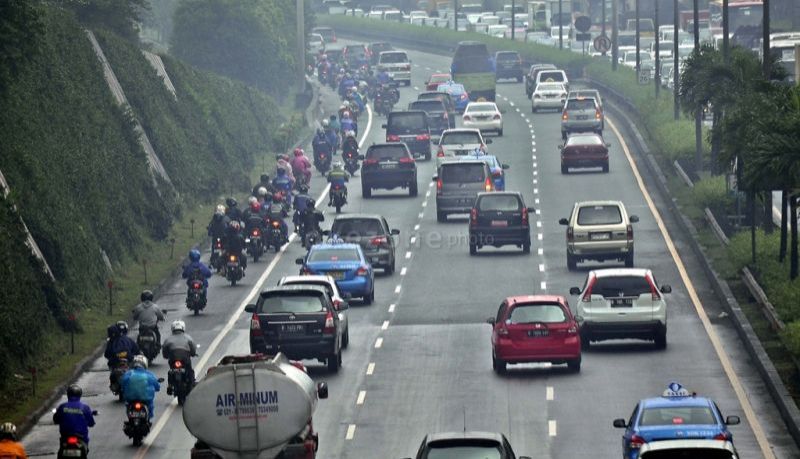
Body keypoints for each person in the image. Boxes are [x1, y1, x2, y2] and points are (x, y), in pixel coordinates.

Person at [162, 320, 198, 393]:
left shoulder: (168, 339)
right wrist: (193, 354)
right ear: (183, 328)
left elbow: (164, 351)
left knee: (171, 370)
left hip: (173, 359)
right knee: (190, 371)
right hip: (185, 359)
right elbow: (193, 349)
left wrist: (166, 356)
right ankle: (192, 384)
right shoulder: (188, 338)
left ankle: (170, 385)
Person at [121, 356, 160, 420]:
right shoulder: (149, 374)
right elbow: (157, 386)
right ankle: (149, 417)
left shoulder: (129, 373)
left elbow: (123, 383)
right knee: (150, 405)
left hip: (130, 398)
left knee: (127, 404)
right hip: (145, 398)